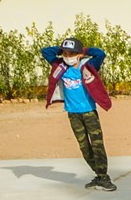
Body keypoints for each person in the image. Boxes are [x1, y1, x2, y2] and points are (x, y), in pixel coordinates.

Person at [41, 37, 116, 191]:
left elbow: (100, 54)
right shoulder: (60, 66)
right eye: (65, 54)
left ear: (79, 54)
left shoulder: (88, 66)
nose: (68, 57)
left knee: (97, 145)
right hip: (73, 114)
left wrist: (84, 50)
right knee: (84, 147)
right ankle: (99, 175)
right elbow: (45, 52)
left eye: (71, 54)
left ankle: (104, 176)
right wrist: (61, 49)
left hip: (89, 112)